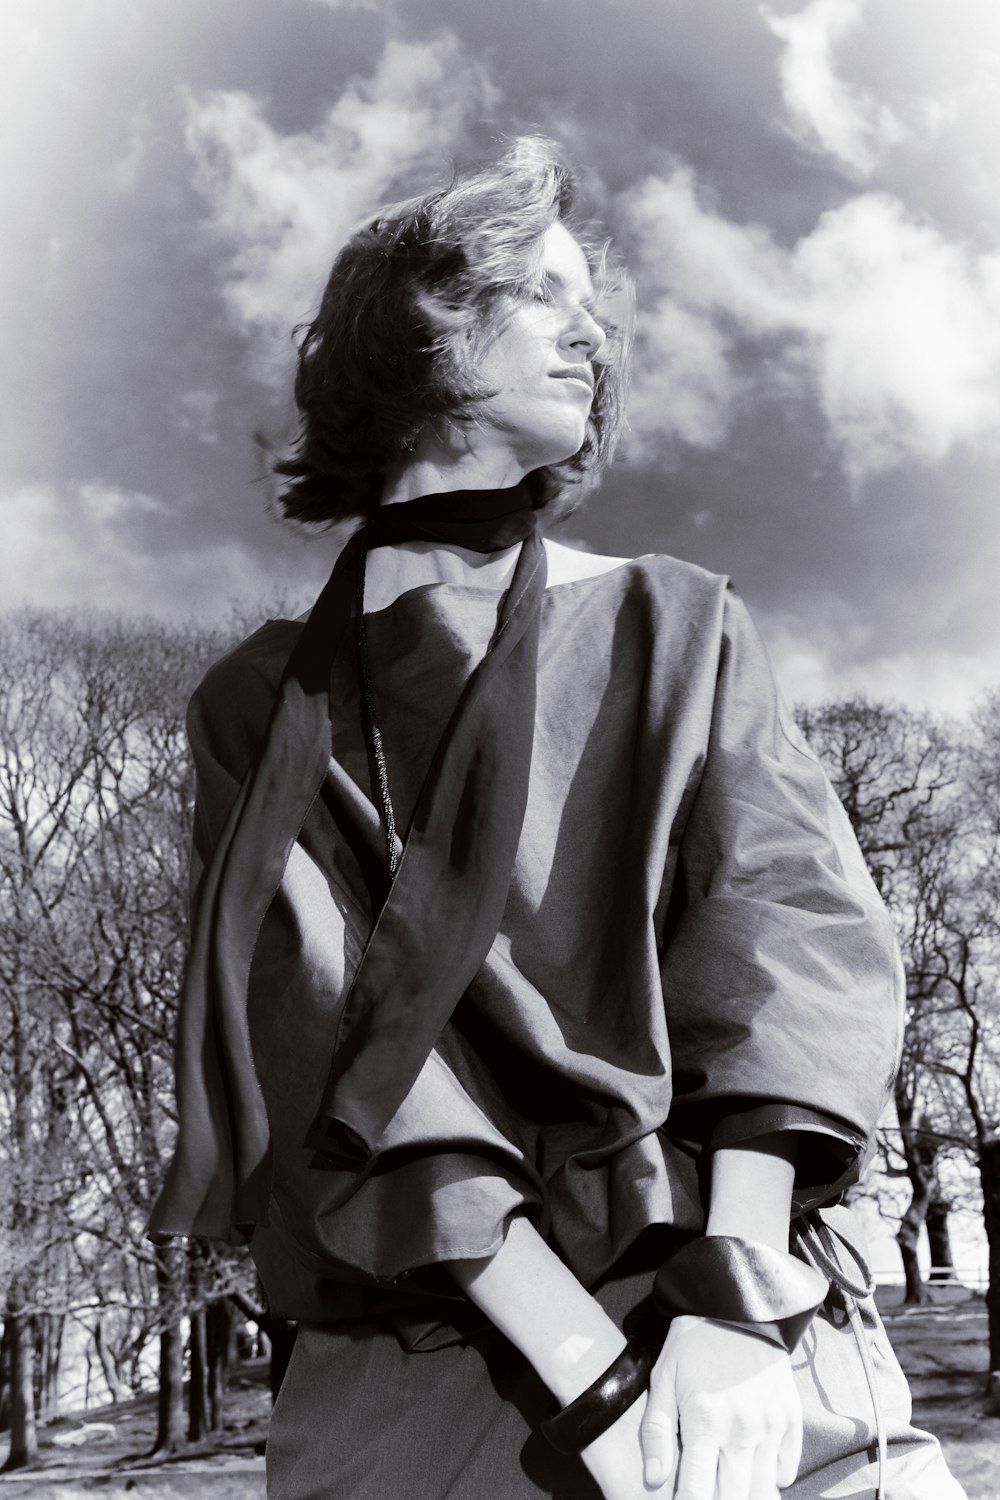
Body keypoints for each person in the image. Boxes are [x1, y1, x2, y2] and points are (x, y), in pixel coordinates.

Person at [150, 137, 966, 1499]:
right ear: (411, 323)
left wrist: (735, 1299)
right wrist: (582, 1367)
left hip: (745, 1349)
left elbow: (796, 938)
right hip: (420, 1373)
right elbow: (316, 1026)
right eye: (542, 290)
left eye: (594, 305)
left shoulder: (679, 621)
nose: (590, 329)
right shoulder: (258, 705)